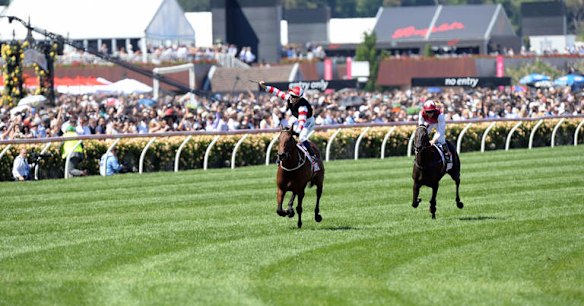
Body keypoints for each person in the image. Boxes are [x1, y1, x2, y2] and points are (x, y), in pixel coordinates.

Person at [259, 81, 320, 171]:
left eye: (294, 97)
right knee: (285, 134)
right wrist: (265, 87)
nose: (292, 98)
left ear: (299, 98)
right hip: (295, 118)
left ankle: (313, 156)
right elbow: (277, 92)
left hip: (308, 121)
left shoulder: (303, 107)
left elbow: (302, 121)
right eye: (291, 95)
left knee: (302, 137)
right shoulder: (289, 98)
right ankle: (282, 155)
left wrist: (297, 132)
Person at [418, 100, 451, 164]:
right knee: (422, 136)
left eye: (431, 111)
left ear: (434, 110)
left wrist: (433, 140)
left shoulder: (440, 115)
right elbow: (421, 127)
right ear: (424, 111)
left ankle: (447, 154)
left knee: (440, 138)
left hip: (438, 123)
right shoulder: (421, 114)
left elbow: (440, 131)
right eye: (428, 112)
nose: (430, 114)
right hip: (429, 123)